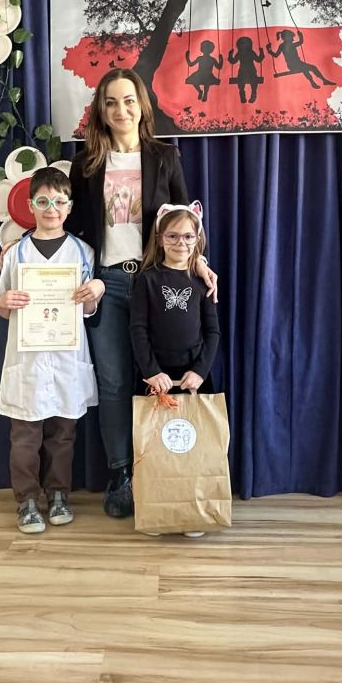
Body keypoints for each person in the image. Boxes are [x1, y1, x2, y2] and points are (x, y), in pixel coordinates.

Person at [67, 67, 218, 519]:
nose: (121, 110)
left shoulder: (165, 156)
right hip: (108, 284)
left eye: (129, 100)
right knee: (114, 382)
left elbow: (185, 221)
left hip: (159, 282)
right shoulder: (85, 162)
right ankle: (121, 474)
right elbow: (72, 228)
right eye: (111, 102)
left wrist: (200, 261)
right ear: (101, 109)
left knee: (165, 374)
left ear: (142, 105)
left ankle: (170, 469)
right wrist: (23, 244)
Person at [0, 167, 105, 534]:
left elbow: (88, 310)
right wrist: (5, 301)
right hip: (27, 358)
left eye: (58, 201)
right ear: (30, 206)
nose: (51, 209)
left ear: (69, 207)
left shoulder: (83, 252)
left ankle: (58, 494)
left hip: (66, 357)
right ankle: (26, 500)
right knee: (25, 435)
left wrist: (95, 293)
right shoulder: (16, 253)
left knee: (63, 434)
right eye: (42, 202)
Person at [129, 201, 221, 538]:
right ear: (160, 238)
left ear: (198, 239)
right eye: (172, 236)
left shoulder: (202, 281)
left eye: (187, 236)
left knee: (192, 446)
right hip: (156, 378)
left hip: (193, 378)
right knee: (155, 447)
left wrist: (200, 371)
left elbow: (212, 332)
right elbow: (137, 329)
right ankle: (156, 510)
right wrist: (151, 371)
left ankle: (192, 512)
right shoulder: (147, 280)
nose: (180, 243)